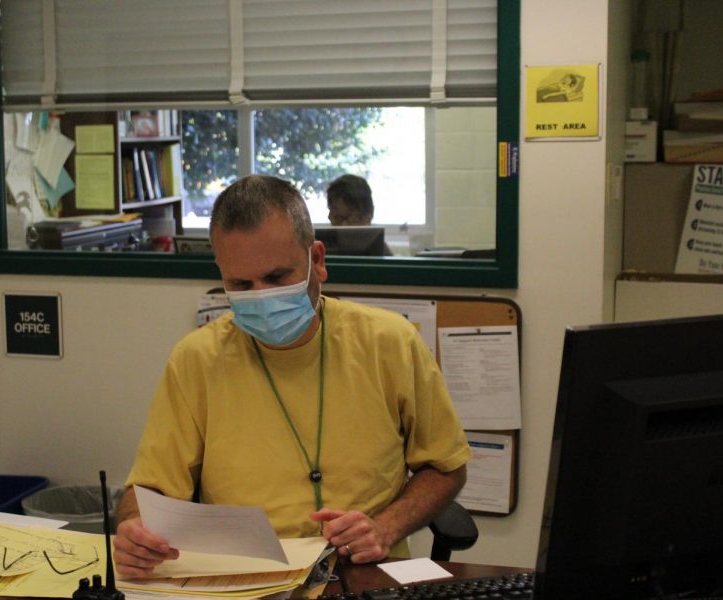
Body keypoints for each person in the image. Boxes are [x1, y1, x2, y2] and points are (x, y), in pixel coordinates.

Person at [113, 174, 470, 579]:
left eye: (277, 277)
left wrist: (385, 527)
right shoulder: (196, 359)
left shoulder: (389, 343)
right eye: (240, 284)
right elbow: (149, 491)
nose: (262, 296)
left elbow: (446, 466)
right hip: (242, 576)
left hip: (362, 569)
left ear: (317, 260)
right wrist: (133, 527)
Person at [326, 174, 393, 255]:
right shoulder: (321, 253)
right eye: (337, 219)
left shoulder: (384, 256)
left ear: (368, 216)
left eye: (352, 219)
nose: (344, 227)